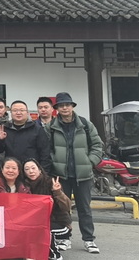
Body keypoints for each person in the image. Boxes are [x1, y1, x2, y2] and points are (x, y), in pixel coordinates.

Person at [46, 92, 103, 254]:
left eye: (67, 105)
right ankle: (65, 238)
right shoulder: (51, 127)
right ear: (57, 109)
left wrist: (90, 162)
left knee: (84, 208)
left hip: (83, 175)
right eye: (61, 105)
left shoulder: (85, 124)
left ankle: (89, 239)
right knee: (62, 209)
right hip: (61, 175)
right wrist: (54, 163)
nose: (64, 108)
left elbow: (97, 145)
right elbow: (46, 149)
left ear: (72, 106)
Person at [24, 159, 73, 260]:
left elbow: (67, 206)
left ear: (39, 169)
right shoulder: (24, 186)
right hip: (36, 221)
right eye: (27, 169)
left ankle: (54, 254)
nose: (31, 171)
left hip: (58, 221)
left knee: (43, 229)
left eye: (33, 168)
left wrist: (58, 192)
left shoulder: (50, 183)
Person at [0, 100, 53, 174]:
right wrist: (0, 140)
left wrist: (43, 172)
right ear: (11, 113)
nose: (18, 113)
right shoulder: (5, 129)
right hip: (12, 171)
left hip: (31, 172)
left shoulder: (37, 129)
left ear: (27, 112)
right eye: (15, 110)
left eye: (22, 110)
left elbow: (45, 153)